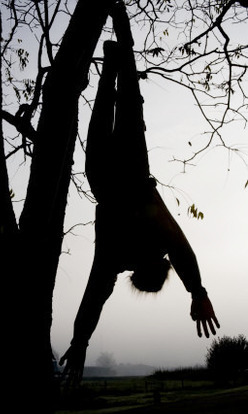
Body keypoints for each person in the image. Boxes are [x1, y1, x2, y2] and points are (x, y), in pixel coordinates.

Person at [60, 1, 220, 384]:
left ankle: (116, 50)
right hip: (110, 175)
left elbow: (181, 252)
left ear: (154, 268)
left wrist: (197, 291)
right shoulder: (118, 260)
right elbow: (94, 296)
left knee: (126, 95)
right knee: (115, 100)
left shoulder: (154, 246)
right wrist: (80, 340)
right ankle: (113, 58)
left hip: (124, 173)